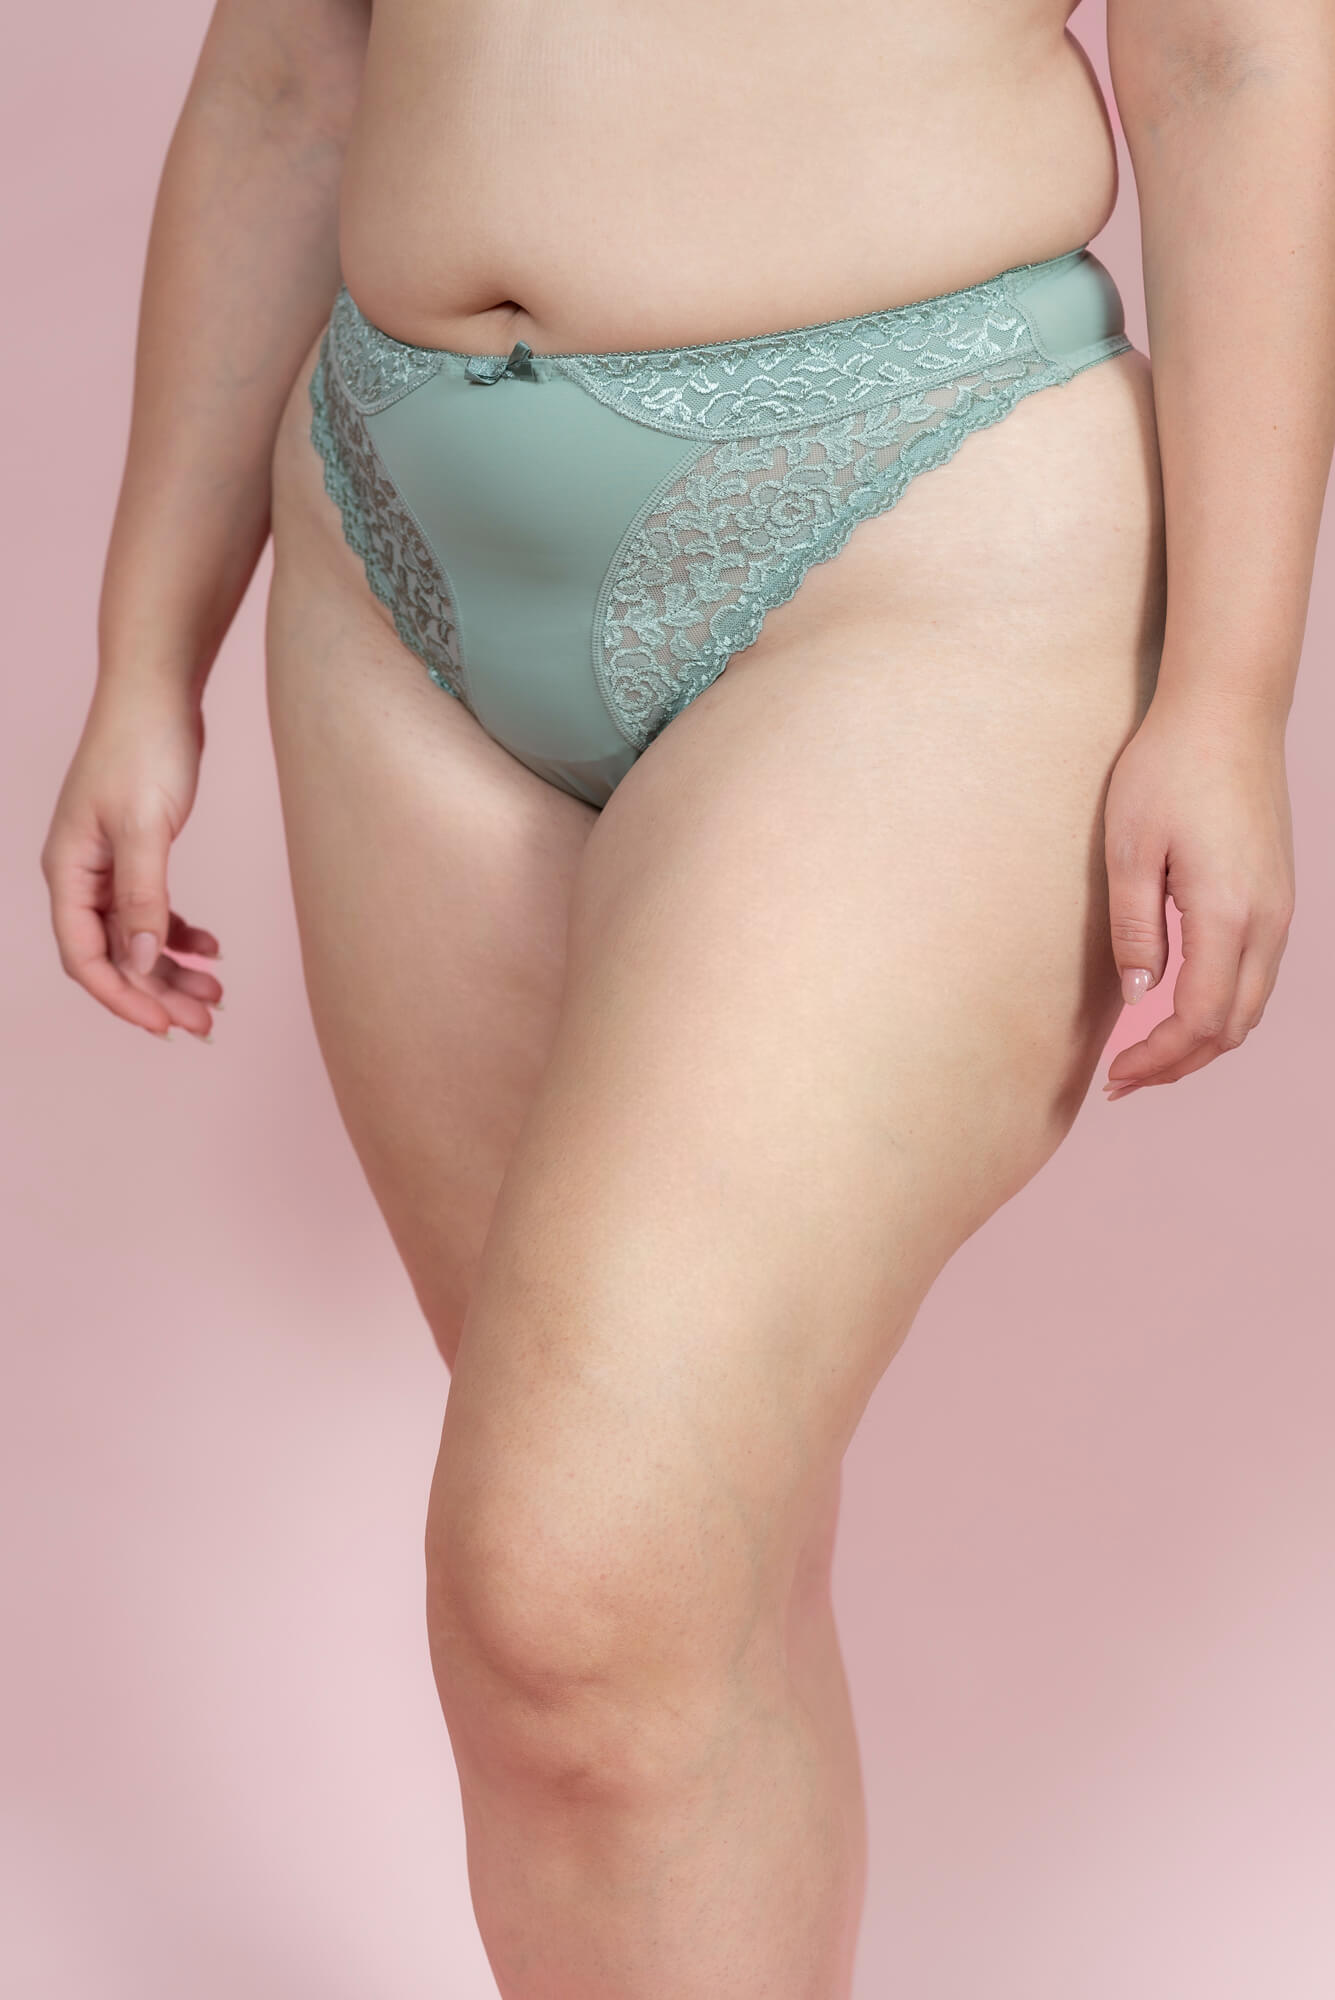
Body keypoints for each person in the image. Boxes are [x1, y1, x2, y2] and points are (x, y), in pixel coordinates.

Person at [40, 1, 1327, 1992]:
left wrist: (1228, 694)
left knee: (583, 1574)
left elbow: (1234, 58)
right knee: (650, 1622)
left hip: (915, 511)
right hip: (389, 550)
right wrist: (145, 652)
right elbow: (291, 70)